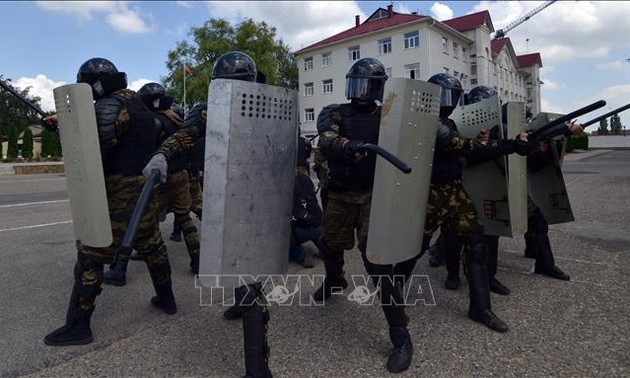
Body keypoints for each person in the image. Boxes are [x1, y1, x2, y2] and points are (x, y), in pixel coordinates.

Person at [143, 51, 272, 378]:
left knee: (248, 269)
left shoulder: (267, 105)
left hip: (256, 195)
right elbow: (184, 136)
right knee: (232, 260)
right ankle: (248, 301)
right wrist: (162, 155)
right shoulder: (208, 110)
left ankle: (258, 366)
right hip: (223, 192)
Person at [43, 58, 176, 346]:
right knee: (153, 245)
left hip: (119, 193)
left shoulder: (108, 106)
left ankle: (79, 326)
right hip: (144, 189)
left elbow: (95, 153)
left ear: (94, 83)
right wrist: (63, 126)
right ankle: (167, 301)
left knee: (91, 254)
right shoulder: (137, 103)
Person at [314, 57, 418, 373]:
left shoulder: (389, 114)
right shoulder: (334, 112)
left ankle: (401, 338)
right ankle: (334, 279)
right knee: (329, 244)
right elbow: (327, 140)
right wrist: (348, 144)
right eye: (355, 85)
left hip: (375, 196)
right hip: (341, 194)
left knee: (377, 262)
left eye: (367, 86)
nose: (360, 93)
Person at [421, 73, 532, 333]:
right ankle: (391, 301)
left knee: (477, 245)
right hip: (428, 193)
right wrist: (510, 146)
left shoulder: (448, 121)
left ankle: (480, 309)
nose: (449, 102)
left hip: (454, 191)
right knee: (412, 250)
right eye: (444, 96)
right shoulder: (429, 122)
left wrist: (509, 143)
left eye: (453, 96)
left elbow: (474, 147)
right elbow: (463, 146)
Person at [104, 82, 201, 285]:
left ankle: (119, 268)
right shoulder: (175, 118)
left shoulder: (153, 122)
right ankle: (197, 260)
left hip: (160, 177)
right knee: (184, 218)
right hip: (181, 174)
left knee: (138, 220)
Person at [289, 134, 322, 268]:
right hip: (317, 223)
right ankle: (324, 247)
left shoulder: (284, 185)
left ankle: (301, 254)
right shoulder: (306, 180)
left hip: (298, 228)